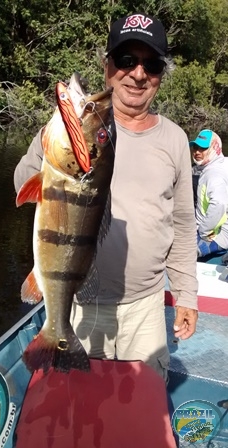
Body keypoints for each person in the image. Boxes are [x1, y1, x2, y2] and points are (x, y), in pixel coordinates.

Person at [14, 12, 198, 383]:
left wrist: (187, 294)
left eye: (152, 63)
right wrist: (54, 135)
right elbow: (21, 183)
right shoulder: (79, 127)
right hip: (80, 302)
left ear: (160, 74)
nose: (138, 73)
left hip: (147, 307)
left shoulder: (175, 139)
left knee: (139, 413)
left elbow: (181, 222)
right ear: (107, 66)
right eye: (126, 60)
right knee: (79, 410)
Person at [190, 129, 228, 258]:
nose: (197, 152)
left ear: (214, 148)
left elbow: (219, 204)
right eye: (195, 147)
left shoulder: (213, 174)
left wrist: (203, 232)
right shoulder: (224, 164)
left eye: (203, 148)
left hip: (215, 237)